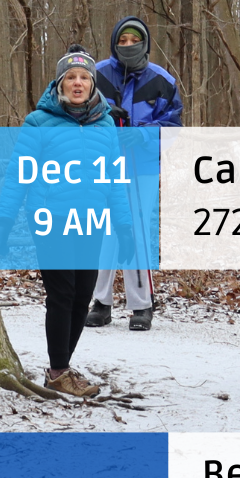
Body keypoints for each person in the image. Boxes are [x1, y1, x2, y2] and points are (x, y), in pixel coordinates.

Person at [0, 46, 134, 396]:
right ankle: (59, 370)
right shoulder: (39, 122)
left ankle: (61, 368)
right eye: (70, 77)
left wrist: (124, 228)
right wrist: (4, 221)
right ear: (60, 84)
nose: (77, 82)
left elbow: (113, 180)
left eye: (84, 77)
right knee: (62, 294)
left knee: (83, 295)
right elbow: (18, 175)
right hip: (51, 218)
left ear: (93, 84)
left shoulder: (105, 124)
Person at [86, 17, 183, 332]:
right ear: (114, 43)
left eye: (134, 40)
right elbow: (75, 111)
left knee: (136, 229)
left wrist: (141, 134)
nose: (128, 46)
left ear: (145, 43)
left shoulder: (162, 80)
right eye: (123, 41)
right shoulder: (96, 74)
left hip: (142, 166)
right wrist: (104, 117)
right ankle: (100, 303)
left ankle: (141, 305)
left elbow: (173, 126)